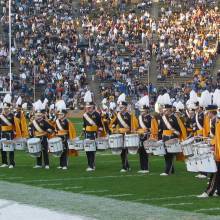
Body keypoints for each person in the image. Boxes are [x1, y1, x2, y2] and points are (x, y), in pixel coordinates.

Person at [197, 105, 220, 198]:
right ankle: (218, 191)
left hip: (217, 150)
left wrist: (215, 150)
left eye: (208, 112)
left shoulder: (217, 121)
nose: (206, 114)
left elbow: (217, 138)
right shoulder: (215, 120)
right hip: (216, 147)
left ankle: (208, 192)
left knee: (215, 173)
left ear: (211, 112)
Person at [29, 100, 54, 169]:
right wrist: (30, 135)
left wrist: (48, 131)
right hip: (36, 138)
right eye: (37, 116)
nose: (38, 117)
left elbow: (51, 128)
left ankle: (47, 164)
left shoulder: (45, 122)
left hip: (44, 137)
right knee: (37, 150)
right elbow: (30, 128)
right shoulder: (33, 122)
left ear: (41, 116)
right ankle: (39, 164)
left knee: (45, 151)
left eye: (39, 115)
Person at [159, 104, 181, 176]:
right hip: (165, 137)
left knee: (170, 155)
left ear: (169, 110)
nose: (164, 111)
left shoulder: (175, 118)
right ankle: (171, 170)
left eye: (165, 110)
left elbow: (178, 130)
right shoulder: (163, 118)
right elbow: (161, 128)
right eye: (164, 110)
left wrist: (174, 136)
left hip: (172, 137)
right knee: (166, 154)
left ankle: (167, 171)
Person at [110, 101, 132, 172]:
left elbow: (133, 125)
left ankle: (124, 166)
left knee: (125, 151)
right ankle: (126, 165)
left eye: (122, 107)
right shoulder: (118, 115)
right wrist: (113, 127)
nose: (120, 108)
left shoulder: (129, 115)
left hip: (127, 135)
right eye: (120, 107)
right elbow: (113, 123)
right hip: (120, 135)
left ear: (125, 107)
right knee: (122, 151)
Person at [55, 100, 77, 170]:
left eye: (61, 114)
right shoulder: (57, 121)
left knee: (65, 151)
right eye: (59, 114)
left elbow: (71, 130)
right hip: (59, 137)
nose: (60, 115)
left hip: (65, 137)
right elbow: (56, 129)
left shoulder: (67, 121)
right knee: (60, 150)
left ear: (64, 115)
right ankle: (61, 164)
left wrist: (70, 138)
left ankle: (65, 164)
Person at [83, 100, 103, 171]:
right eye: (87, 107)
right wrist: (83, 132)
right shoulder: (85, 115)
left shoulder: (97, 114)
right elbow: (84, 125)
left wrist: (99, 132)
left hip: (94, 134)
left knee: (92, 150)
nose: (88, 109)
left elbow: (100, 125)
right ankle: (90, 164)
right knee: (87, 150)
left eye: (89, 107)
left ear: (93, 107)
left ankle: (91, 165)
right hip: (87, 134)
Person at [0, 94, 16, 168]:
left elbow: (15, 125)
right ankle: (5, 162)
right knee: (3, 148)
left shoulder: (12, 116)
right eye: (4, 108)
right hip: (3, 133)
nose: (5, 110)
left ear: (9, 108)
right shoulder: (1, 116)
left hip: (10, 133)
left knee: (11, 148)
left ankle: (12, 163)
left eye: (6, 108)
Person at [136, 104, 152, 173]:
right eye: (141, 110)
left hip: (146, 136)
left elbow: (152, 128)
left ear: (146, 110)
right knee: (141, 152)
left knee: (145, 152)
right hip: (140, 136)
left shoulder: (150, 118)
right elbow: (138, 126)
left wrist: (146, 131)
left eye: (143, 110)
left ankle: (146, 168)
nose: (141, 112)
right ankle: (142, 167)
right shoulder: (140, 117)